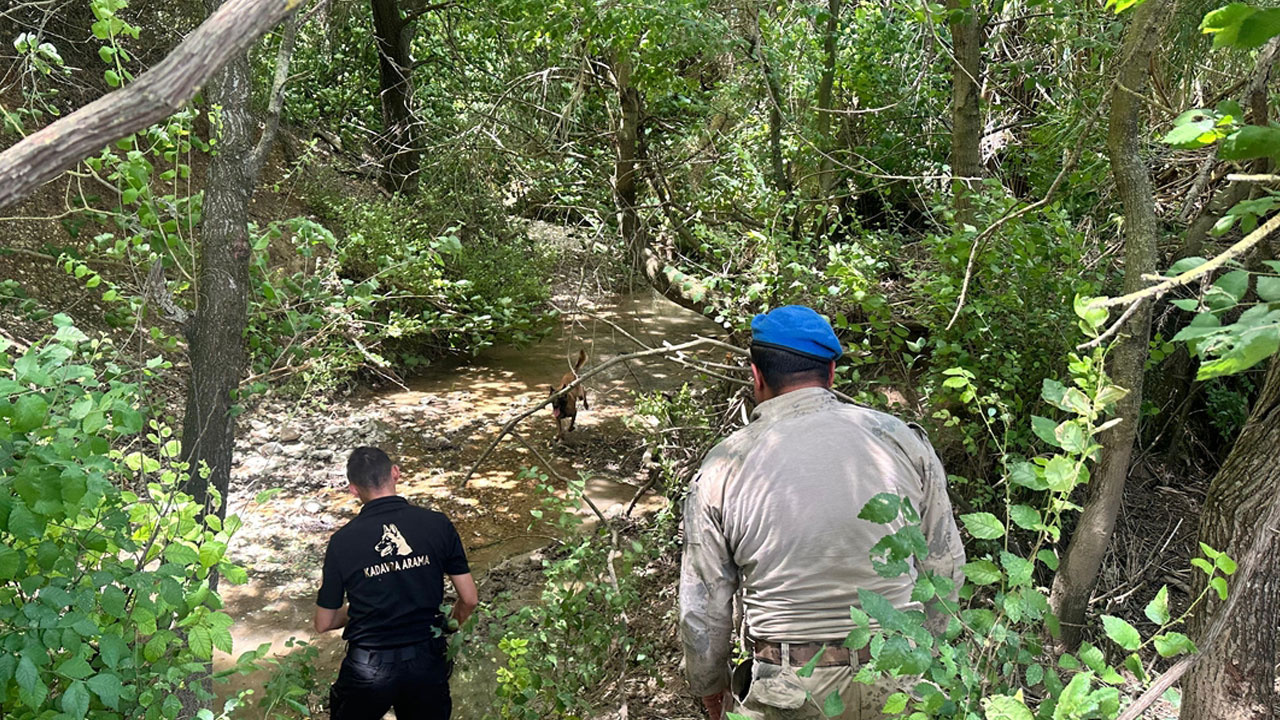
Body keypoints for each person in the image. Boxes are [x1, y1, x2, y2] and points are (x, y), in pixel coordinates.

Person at [678, 306, 966, 720]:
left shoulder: (723, 466)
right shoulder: (902, 441)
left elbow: (702, 608)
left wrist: (710, 688)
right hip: (899, 675)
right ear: (831, 374)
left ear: (757, 376)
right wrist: (933, 657)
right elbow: (944, 565)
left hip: (791, 690)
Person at [314, 447, 479, 720]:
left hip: (368, 668)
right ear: (395, 473)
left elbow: (323, 622)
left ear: (353, 489)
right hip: (426, 660)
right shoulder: (437, 524)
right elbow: (470, 599)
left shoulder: (342, 542)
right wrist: (451, 624)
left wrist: (365, 608)